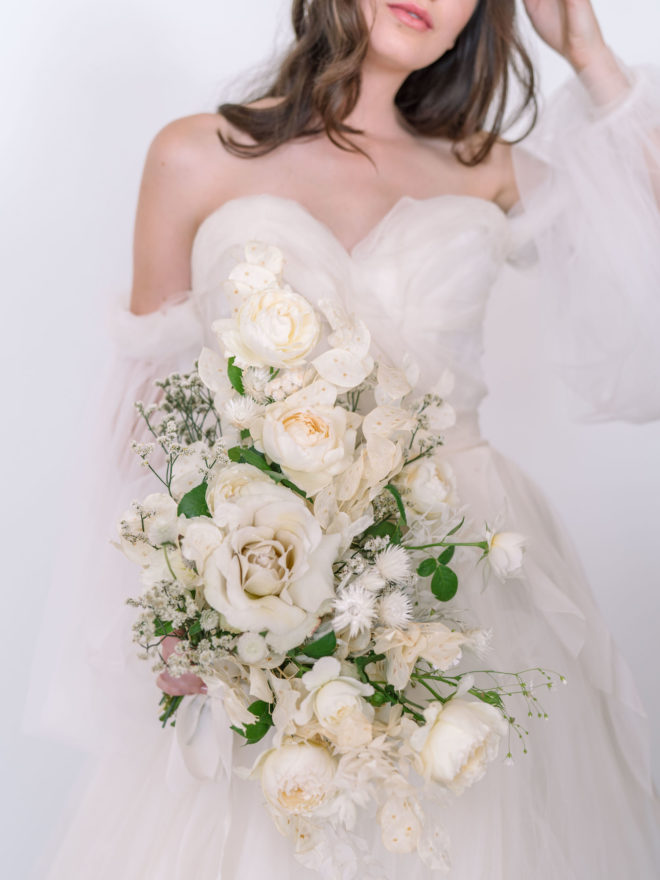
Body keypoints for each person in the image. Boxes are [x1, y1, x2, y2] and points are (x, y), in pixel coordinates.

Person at [23, 1, 660, 877]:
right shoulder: (193, 153)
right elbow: (144, 415)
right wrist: (172, 609)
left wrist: (588, 51)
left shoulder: (485, 168)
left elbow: (643, 227)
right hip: (261, 577)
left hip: (465, 579)